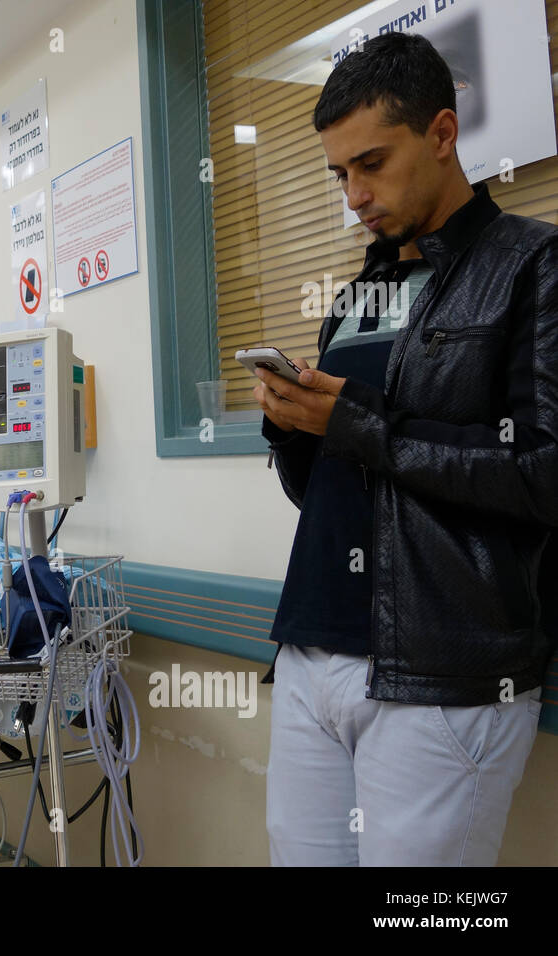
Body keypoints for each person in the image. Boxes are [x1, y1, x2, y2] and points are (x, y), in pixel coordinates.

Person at [256, 31, 557, 866]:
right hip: (313, 649)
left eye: (372, 163)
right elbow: (329, 485)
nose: (354, 193)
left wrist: (357, 422)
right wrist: (294, 428)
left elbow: (542, 471)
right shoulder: (363, 292)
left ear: (443, 134)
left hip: (440, 672)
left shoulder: (534, 268)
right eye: (339, 173)